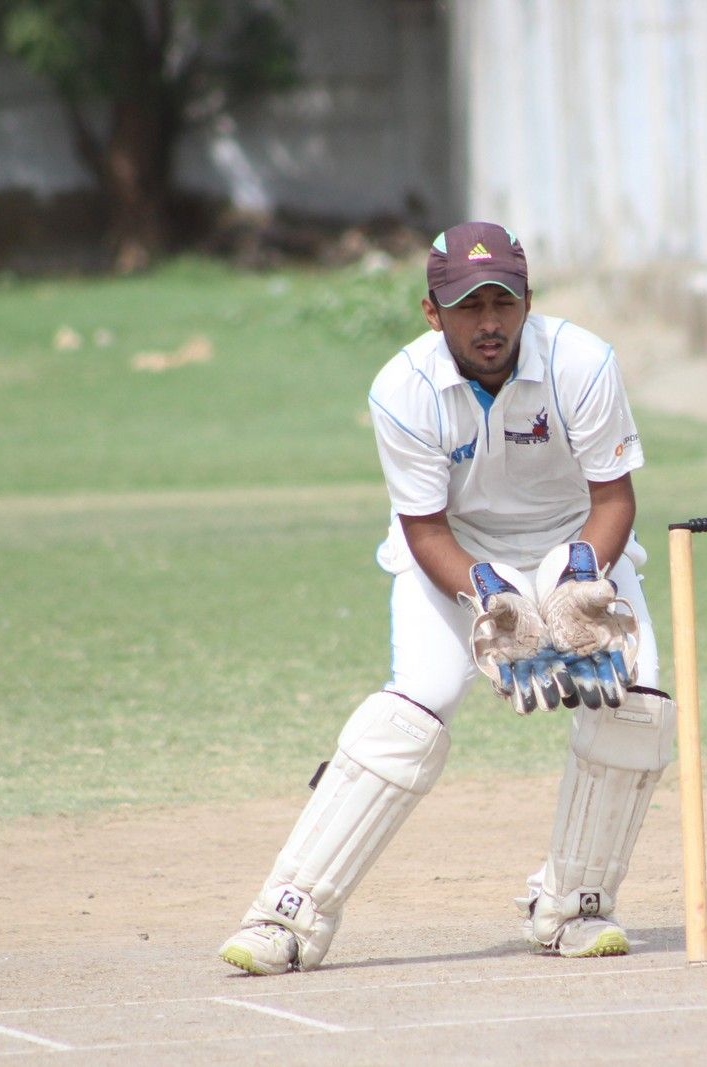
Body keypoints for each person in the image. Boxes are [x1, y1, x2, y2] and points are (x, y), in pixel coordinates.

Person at [218, 221, 674, 975]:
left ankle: (573, 905)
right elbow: (425, 528)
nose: (488, 323)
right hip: (456, 551)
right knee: (414, 708)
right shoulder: (403, 388)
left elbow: (614, 498)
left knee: (639, 704)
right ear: (433, 312)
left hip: (576, 540)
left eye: (502, 302)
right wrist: (491, 596)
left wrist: (578, 579)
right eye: (468, 307)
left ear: (528, 301)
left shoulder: (583, 362)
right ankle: (289, 912)